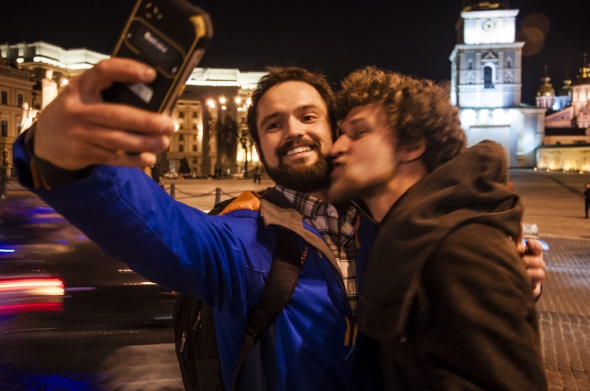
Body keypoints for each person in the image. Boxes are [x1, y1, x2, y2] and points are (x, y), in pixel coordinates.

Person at [12, 60, 544, 390]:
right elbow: (160, 226)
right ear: (262, 144)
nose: (293, 131)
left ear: (335, 131)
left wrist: (499, 277)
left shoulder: (395, 230)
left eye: (309, 116)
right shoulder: (244, 237)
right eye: (273, 123)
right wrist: (66, 162)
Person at [328, 67, 548, 390]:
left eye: (359, 133)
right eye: (340, 134)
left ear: (412, 145)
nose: (336, 148)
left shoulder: (459, 247)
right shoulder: (412, 236)